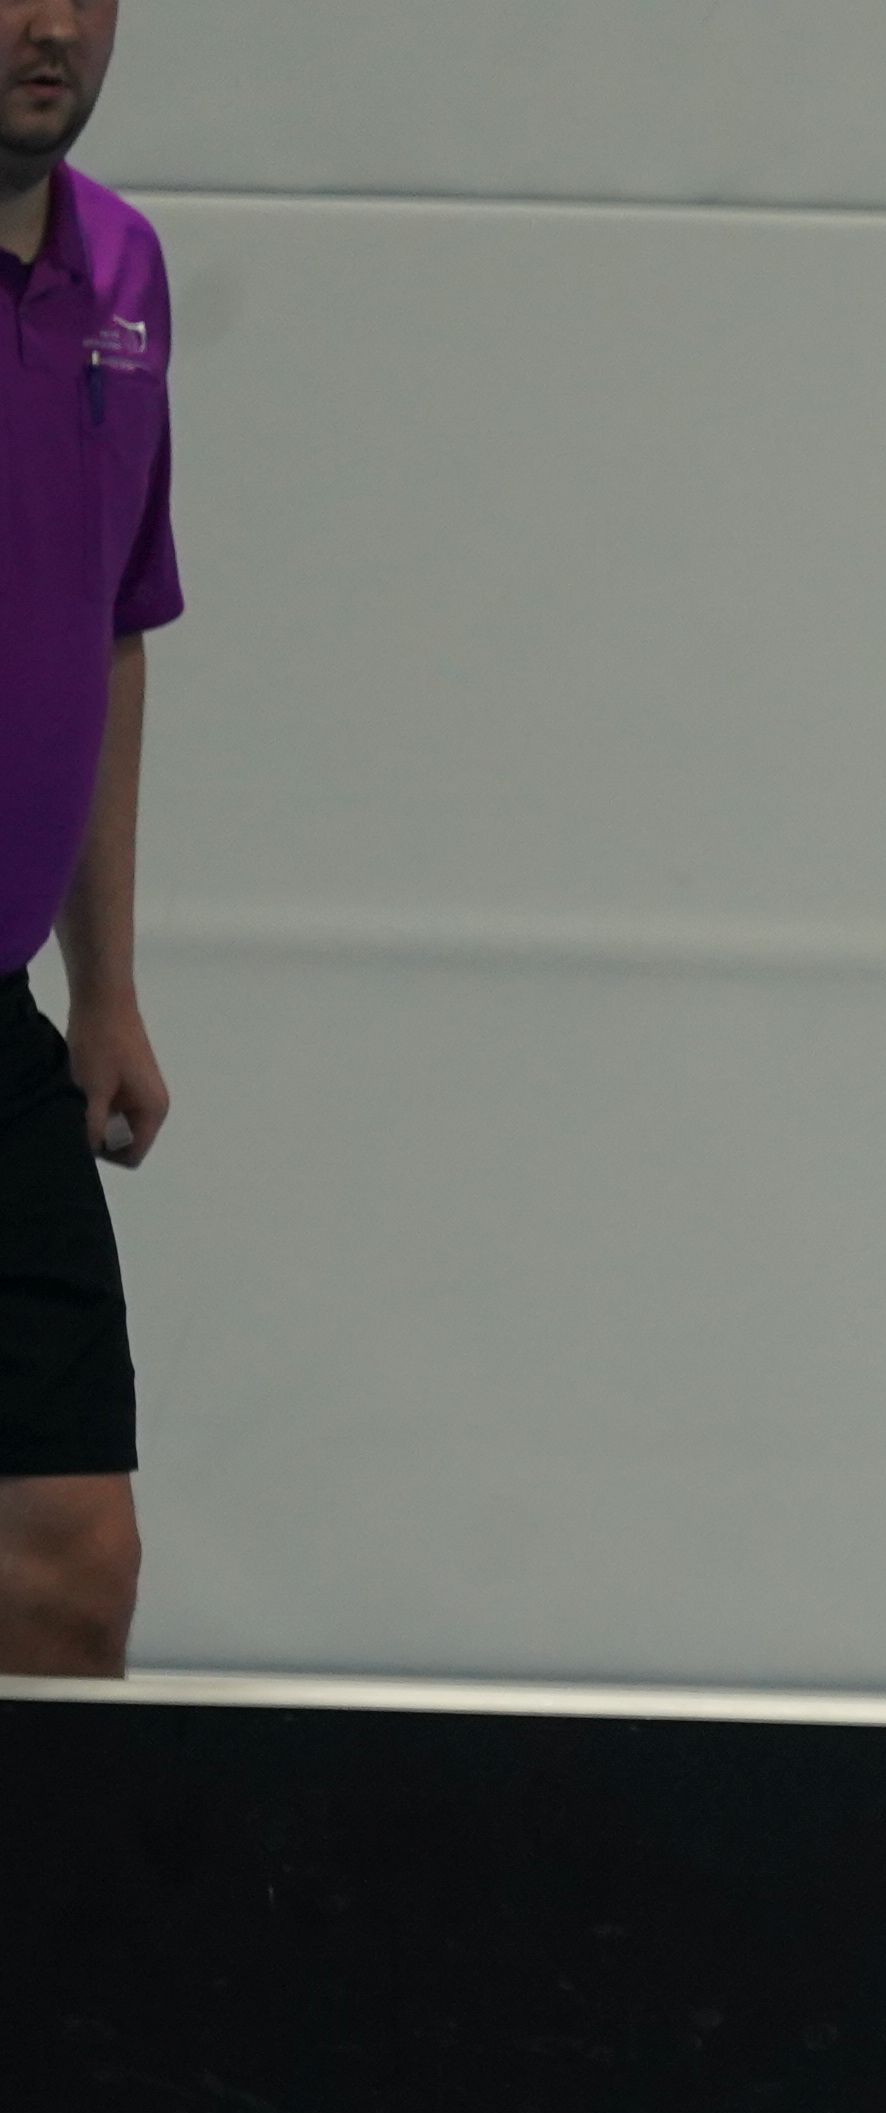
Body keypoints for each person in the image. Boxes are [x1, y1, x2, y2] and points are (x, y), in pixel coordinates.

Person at [0, 0, 166, 1679]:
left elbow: (111, 626)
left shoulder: (122, 277)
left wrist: (102, 989)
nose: (49, 26)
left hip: (0, 1034)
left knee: (70, 1564)